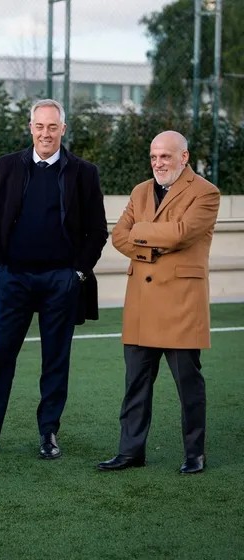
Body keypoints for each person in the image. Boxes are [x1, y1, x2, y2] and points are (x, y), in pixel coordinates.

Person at [0, 99, 108, 461]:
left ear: (63, 129)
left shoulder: (84, 173)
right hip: (14, 279)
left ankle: (48, 432)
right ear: (30, 128)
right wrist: (1, 269)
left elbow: (97, 231)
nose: (45, 133)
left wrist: (77, 274)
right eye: (39, 126)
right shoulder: (7, 166)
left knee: (55, 360)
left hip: (61, 282)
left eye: (52, 127)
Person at [97, 130, 220, 475]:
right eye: (153, 157)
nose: (158, 163)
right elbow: (118, 236)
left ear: (184, 157)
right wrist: (151, 246)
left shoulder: (206, 192)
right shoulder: (140, 190)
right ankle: (130, 452)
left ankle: (194, 454)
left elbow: (182, 233)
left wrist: (141, 231)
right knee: (135, 384)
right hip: (141, 303)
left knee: (188, 386)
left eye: (165, 156)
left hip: (182, 305)